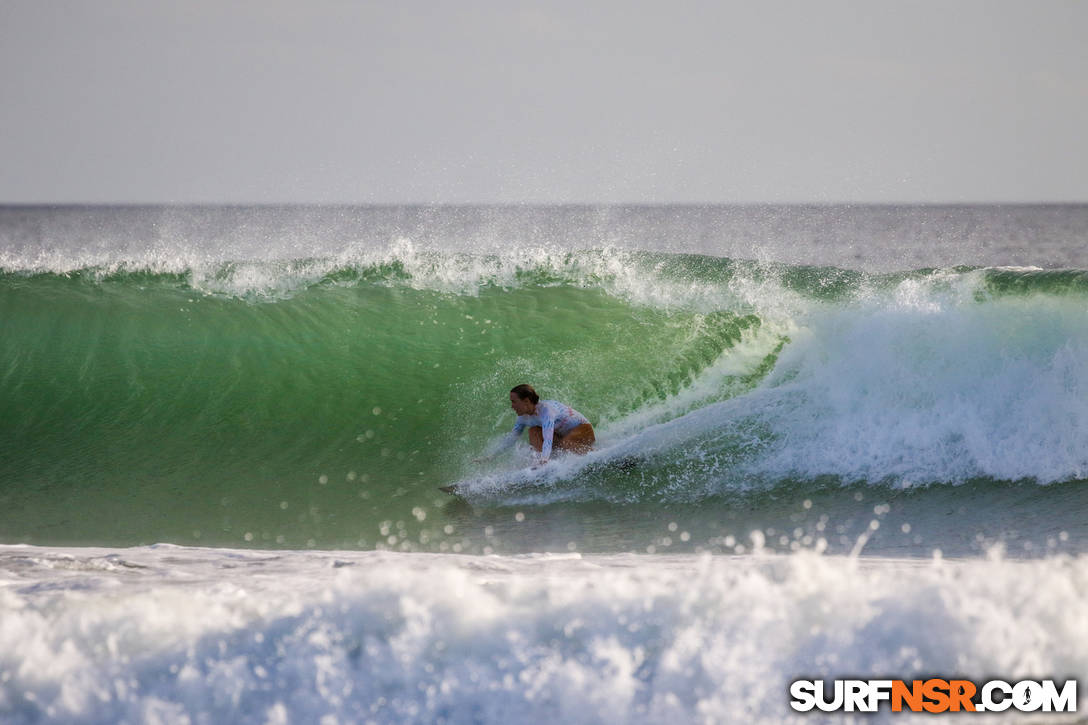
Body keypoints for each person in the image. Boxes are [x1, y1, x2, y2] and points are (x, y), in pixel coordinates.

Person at [479, 384, 595, 465]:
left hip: (583, 429)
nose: (512, 406)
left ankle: (597, 455)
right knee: (533, 431)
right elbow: (511, 438)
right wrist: (491, 457)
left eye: (514, 402)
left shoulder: (546, 411)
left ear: (526, 401)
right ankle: (540, 464)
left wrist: (544, 459)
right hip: (563, 436)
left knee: (565, 443)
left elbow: (548, 439)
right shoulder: (522, 418)